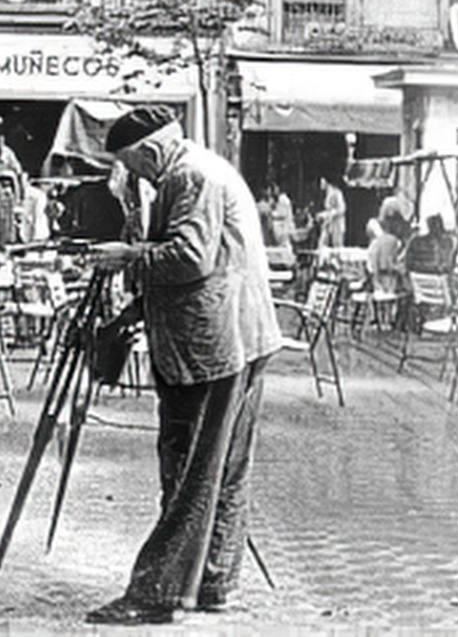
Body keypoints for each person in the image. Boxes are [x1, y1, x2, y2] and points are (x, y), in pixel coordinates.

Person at [90, 106, 282, 625]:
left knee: (192, 469)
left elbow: (190, 257)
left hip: (212, 344)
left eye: (132, 164)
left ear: (149, 151)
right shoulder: (201, 167)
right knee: (225, 469)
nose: (133, 175)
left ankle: (159, 593)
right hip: (238, 336)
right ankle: (213, 582)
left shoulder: (188, 176)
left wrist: (127, 257)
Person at [365, 218, 403, 293]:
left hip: (380, 276)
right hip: (391, 276)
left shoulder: (374, 244)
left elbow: (371, 266)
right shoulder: (394, 240)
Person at [316, 174, 347, 248]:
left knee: (337, 245)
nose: (321, 184)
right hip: (328, 223)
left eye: (322, 181)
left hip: (337, 223)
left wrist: (330, 214)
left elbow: (342, 208)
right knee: (322, 243)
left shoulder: (337, 193)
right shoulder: (327, 194)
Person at [267, 183, 294, 248]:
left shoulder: (283, 199)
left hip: (284, 227)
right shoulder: (278, 200)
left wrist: (272, 213)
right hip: (282, 227)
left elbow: (282, 214)